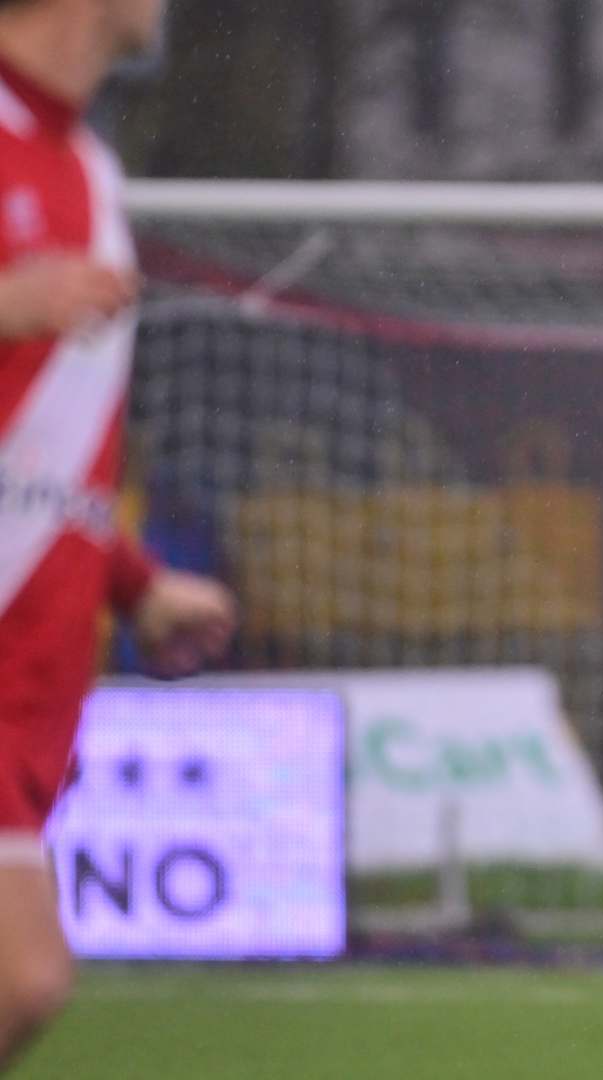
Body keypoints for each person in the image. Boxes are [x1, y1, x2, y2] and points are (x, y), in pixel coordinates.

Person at [0, 0, 235, 1068]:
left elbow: (44, 444)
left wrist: (134, 582)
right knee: (22, 973)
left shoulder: (89, 169)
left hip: (31, 675)